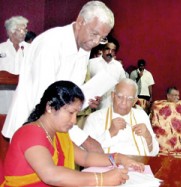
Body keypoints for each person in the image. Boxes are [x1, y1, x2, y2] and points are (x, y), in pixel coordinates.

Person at [2, 1, 114, 152]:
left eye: (102, 38)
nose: (95, 42)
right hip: (28, 128)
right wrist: (84, 139)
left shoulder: (84, 47)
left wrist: (84, 98)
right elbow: (46, 102)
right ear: (80, 22)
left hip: (55, 127)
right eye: (94, 33)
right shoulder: (51, 44)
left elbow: (68, 92)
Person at [1, 80, 144, 186]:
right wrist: (101, 179)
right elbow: (51, 175)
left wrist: (118, 158)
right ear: (50, 107)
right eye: (70, 113)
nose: (74, 120)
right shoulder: (30, 134)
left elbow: (85, 157)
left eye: (76, 114)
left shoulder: (58, 133)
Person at [83, 78, 159, 156]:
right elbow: (85, 153)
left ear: (134, 101)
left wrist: (148, 136)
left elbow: (154, 153)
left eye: (129, 99)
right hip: (106, 166)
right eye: (119, 97)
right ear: (112, 96)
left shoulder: (141, 116)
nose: (124, 103)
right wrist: (110, 133)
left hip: (138, 166)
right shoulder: (95, 118)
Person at [0, 16, 29, 114]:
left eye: (25, 29)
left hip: (24, 98)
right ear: (10, 32)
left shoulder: (31, 49)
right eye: (21, 29)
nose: (24, 32)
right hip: (4, 98)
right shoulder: (1, 49)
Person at [88, 35, 126, 109]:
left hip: (111, 106)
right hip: (93, 105)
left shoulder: (118, 66)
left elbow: (123, 84)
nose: (110, 52)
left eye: (113, 50)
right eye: (107, 49)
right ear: (102, 49)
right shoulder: (91, 63)